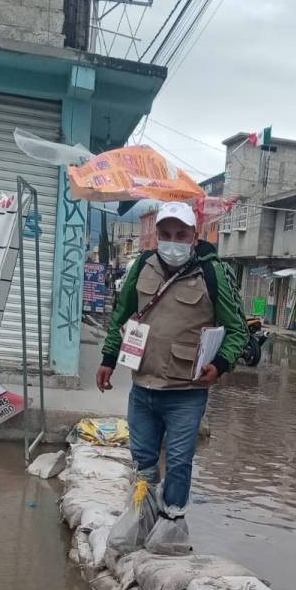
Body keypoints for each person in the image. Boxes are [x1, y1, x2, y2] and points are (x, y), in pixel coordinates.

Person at [96, 201, 247, 550]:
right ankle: (141, 517)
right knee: (143, 461)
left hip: (186, 392)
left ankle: (172, 527)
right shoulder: (142, 267)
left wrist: (220, 365)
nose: (172, 241)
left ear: (194, 236)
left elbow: (238, 330)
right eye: (165, 234)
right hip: (143, 387)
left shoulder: (214, 273)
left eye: (181, 234)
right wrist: (107, 359)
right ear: (156, 235)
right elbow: (122, 317)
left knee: (179, 463)